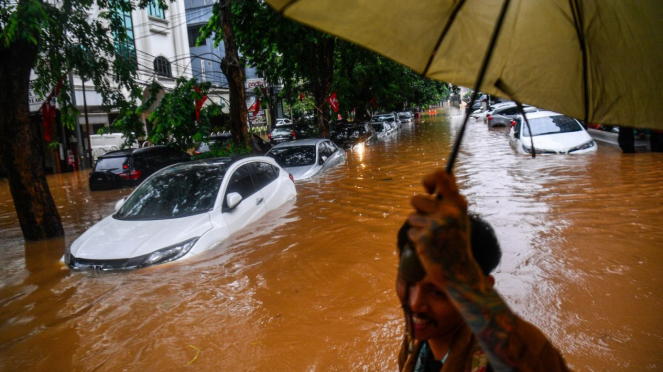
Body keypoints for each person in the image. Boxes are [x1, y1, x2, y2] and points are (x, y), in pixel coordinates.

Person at [395, 170, 570, 372]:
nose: (415, 303)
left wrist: (463, 275)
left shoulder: (492, 360)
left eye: (438, 291)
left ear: (480, 287)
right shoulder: (416, 339)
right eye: (407, 280)